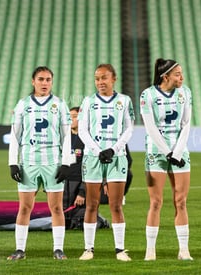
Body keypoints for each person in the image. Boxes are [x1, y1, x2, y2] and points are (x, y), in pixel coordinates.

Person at [8, 66, 71, 260]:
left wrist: (66, 162)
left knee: (57, 208)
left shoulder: (60, 104)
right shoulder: (23, 104)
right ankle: (20, 249)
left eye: (48, 80)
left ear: (52, 82)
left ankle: (58, 249)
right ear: (33, 81)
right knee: (25, 207)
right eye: (41, 79)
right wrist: (13, 162)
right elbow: (15, 135)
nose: (45, 83)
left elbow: (66, 136)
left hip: (53, 161)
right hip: (28, 162)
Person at [77, 64, 135, 261]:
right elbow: (83, 130)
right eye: (97, 78)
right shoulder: (88, 101)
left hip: (117, 158)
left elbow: (128, 129)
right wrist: (97, 150)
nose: (100, 82)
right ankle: (88, 249)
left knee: (116, 205)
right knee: (91, 205)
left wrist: (113, 149)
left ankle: (120, 249)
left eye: (104, 78)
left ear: (114, 79)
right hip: (93, 157)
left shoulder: (124, 101)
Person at [140, 58, 193, 261]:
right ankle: (150, 250)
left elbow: (187, 124)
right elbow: (150, 127)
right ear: (166, 76)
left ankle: (184, 250)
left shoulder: (185, 92)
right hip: (156, 152)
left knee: (180, 201)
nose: (182, 77)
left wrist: (177, 152)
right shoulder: (148, 95)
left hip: (180, 153)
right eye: (178, 74)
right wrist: (167, 152)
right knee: (156, 202)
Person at [63, 107, 109, 229]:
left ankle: (101, 221)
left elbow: (92, 166)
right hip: (65, 182)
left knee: (81, 221)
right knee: (65, 221)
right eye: (69, 116)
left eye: (74, 116)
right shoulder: (64, 138)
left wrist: (82, 192)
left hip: (81, 181)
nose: (70, 119)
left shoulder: (88, 140)